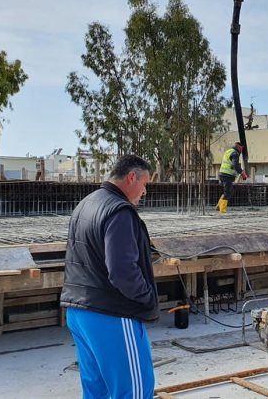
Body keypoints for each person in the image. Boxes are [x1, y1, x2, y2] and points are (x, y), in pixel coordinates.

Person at [60, 155, 158, 399]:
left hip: (79, 310)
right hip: (112, 314)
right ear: (132, 177)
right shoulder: (120, 211)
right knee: (134, 391)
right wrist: (147, 298)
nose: (144, 191)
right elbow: (123, 271)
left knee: (97, 390)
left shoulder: (86, 203)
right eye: (144, 183)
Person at [217, 142, 247, 213]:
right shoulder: (235, 153)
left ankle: (219, 206)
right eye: (241, 148)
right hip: (226, 175)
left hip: (222, 174)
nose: (241, 150)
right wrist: (242, 173)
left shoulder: (229, 151)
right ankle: (222, 210)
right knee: (228, 192)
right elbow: (235, 164)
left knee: (228, 191)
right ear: (238, 147)